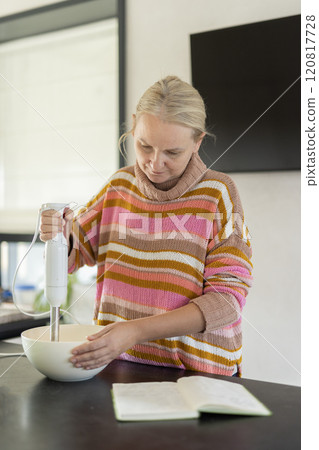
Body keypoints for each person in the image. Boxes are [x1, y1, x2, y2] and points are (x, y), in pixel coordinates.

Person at [40, 75, 252, 377]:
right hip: (118, 368)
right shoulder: (118, 186)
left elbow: (227, 302)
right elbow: (74, 253)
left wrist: (135, 331)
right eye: (144, 145)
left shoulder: (218, 193)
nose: (154, 163)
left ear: (198, 141)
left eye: (172, 152)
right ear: (134, 124)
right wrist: (59, 235)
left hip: (197, 376)